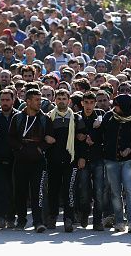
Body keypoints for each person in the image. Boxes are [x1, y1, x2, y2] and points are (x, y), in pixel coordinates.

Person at [44, 89, 86, 232]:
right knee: (53, 190)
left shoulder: (77, 118)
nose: (61, 100)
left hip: (71, 161)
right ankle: (52, 217)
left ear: (69, 100)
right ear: (55, 100)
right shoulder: (49, 117)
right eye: (59, 98)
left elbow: (81, 140)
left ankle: (69, 218)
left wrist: (81, 157)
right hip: (53, 160)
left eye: (64, 98)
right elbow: (44, 137)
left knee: (69, 190)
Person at [8, 88, 49, 232]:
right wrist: (20, 148)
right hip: (21, 161)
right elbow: (11, 138)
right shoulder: (17, 118)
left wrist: (40, 148)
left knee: (38, 191)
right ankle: (21, 220)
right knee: (20, 191)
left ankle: (38, 222)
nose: (40, 103)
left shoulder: (44, 118)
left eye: (41, 99)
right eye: (37, 100)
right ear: (28, 101)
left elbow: (50, 137)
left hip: (38, 162)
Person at [101, 94, 131, 232]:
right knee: (115, 192)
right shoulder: (109, 117)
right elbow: (102, 135)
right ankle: (119, 221)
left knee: (130, 191)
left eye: (118, 105)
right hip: (111, 160)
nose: (115, 107)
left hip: (128, 161)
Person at [77, 91, 107, 231]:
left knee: (99, 192)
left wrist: (92, 135)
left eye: (91, 103)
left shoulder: (100, 117)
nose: (88, 106)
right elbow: (76, 141)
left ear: (95, 103)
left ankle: (97, 220)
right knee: (83, 191)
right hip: (83, 159)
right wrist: (81, 156)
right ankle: (84, 213)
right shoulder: (78, 118)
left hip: (97, 159)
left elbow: (103, 137)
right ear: (82, 103)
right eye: (86, 102)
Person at [0, 89, 19, 229]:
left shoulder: (19, 116)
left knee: (12, 188)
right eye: (2, 100)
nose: (5, 102)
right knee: (0, 188)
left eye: (8, 100)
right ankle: (0, 217)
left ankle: (11, 217)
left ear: (13, 100)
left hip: (15, 158)